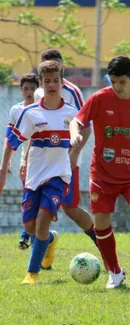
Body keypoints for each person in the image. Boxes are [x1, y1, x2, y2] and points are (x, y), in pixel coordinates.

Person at [70, 55, 130, 289]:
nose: (117, 87)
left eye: (122, 82)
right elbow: (76, 121)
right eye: (113, 82)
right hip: (103, 173)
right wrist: (74, 135)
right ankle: (115, 273)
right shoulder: (99, 98)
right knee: (101, 223)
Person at [0, 60, 78, 284]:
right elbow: (11, 143)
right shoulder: (30, 113)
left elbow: (83, 130)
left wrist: (76, 144)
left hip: (59, 175)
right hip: (34, 176)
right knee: (30, 226)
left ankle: (31, 273)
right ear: (41, 85)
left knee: (43, 220)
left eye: (56, 80)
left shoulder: (72, 114)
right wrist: (4, 171)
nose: (52, 85)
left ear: (62, 83)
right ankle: (50, 241)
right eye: (47, 81)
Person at [21, 49, 99, 257]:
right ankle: (47, 243)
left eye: (56, 72)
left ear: (62, 70)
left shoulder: (73, 92)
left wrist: (74, 153)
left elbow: (87, 126)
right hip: (41, 163)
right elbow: (34, 129)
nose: (52, 81)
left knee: (71, 208)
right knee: (34, 218)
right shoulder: (39, 93)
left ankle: (100, 240)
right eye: (47, 75)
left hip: (65, 161)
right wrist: (25, 158)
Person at [5, 73, 39, 249]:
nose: (29, 92)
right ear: (21, 90)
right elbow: (9, 136)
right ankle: (29, 235)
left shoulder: (41, 110)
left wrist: (26, 161)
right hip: (24, 157)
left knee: (33, 196)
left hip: (38, 159)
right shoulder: (16, 110)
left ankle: (27, 235)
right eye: (26, 88)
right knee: (29, 196)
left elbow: (35, 137)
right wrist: (7, 159)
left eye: (33, 88)